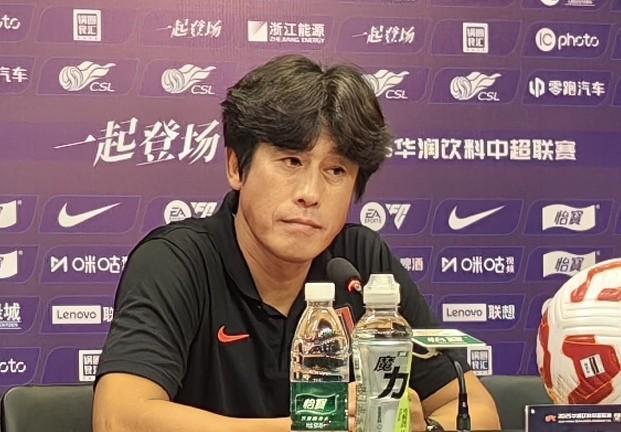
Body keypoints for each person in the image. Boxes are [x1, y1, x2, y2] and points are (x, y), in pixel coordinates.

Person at [93, 54, 500, 432]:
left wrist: (425, 428)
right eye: (292, 161)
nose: (310, 193)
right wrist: (312, 426)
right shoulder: (177, 261)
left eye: (336, 170)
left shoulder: (361, 263)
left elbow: (477, 410)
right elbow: (119, 418)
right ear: (236, 166)